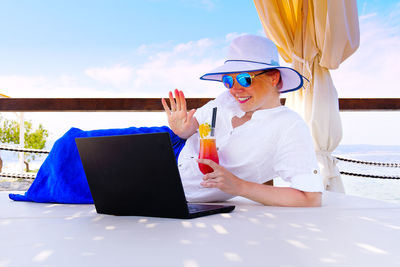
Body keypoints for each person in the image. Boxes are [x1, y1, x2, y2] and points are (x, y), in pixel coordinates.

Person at [9, 34, 323, 206]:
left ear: (275, 80)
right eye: (228, 80)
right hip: (165, 148)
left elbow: (310, 199)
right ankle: (37, 193)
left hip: (175, 187)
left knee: (91, 176)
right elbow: (193, 128)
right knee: (74, 143)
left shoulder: (288, 126)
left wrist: (239, 186)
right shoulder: (225, 102)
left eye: (244, 78)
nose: (235, 89)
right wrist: (183, 128)